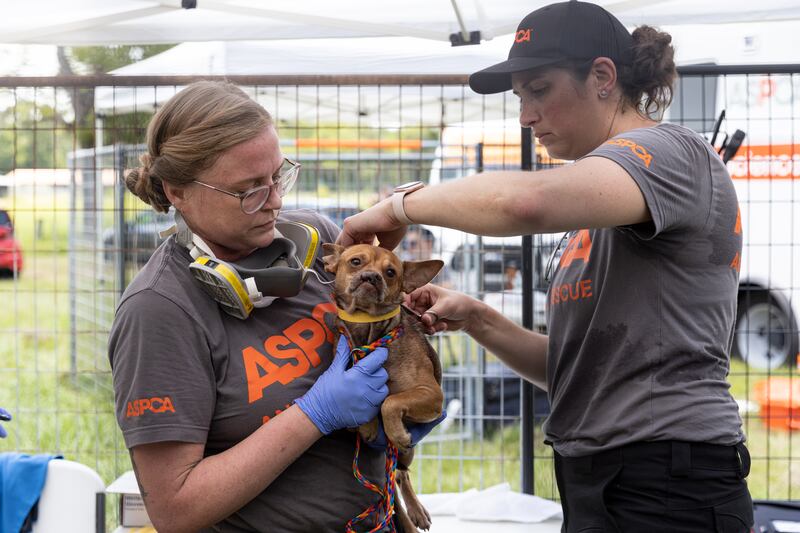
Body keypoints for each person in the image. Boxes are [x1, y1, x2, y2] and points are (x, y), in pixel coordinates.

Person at [338, 2, 753, 531]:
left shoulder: (671, 152)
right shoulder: (604, 202)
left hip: (670, 478)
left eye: (539, 90)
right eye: (520, 97)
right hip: (600, 476)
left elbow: (524, 203)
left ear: (602, 77)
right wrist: (478, 318)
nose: (525, 115)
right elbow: (574, 369)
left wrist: (397, 207)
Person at [108, 81, 440, 533]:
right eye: (249, 190)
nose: (276, 201)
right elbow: (175, 509)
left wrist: (405, 327)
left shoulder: (313, 241)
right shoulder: (159, 310)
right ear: (179, 191)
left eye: (277, 176)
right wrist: (314, 414)